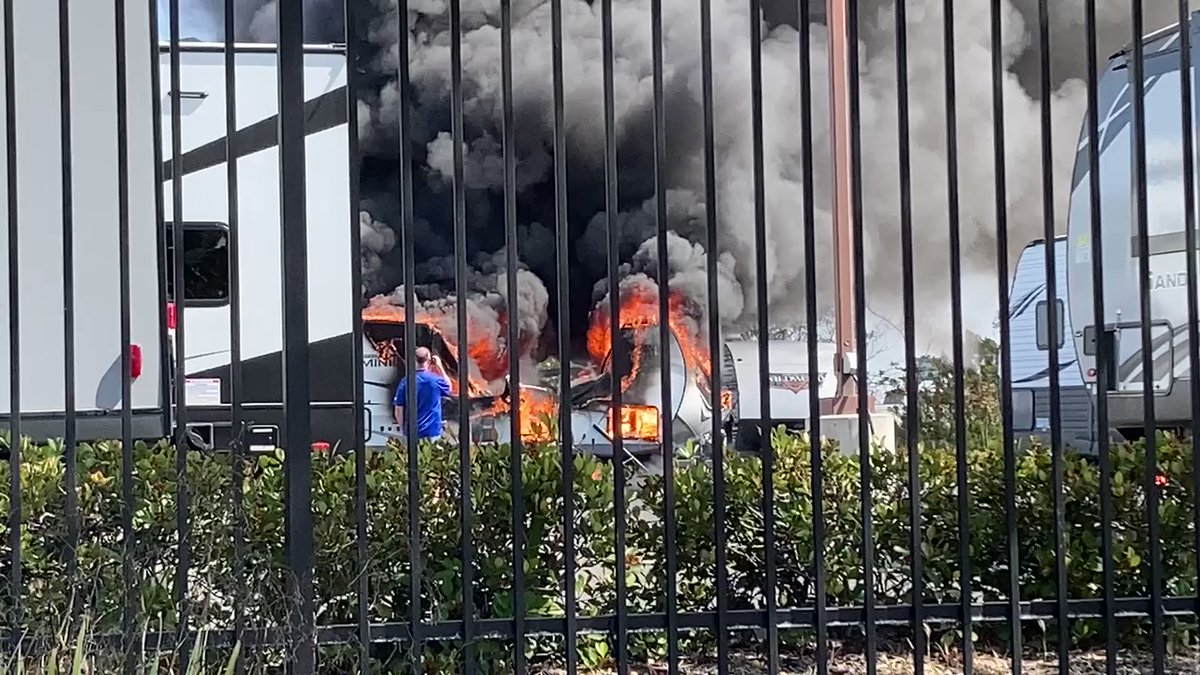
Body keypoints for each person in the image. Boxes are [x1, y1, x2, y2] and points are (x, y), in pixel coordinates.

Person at [393, 346, 452, 441]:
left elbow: (398, 409)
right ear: (429, 360)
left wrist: (404, 430)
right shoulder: (435, 380)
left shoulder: (406, 382)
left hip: (413, 432)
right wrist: (439, 366)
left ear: (414, 360)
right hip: (432, 431)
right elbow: (449, 387)